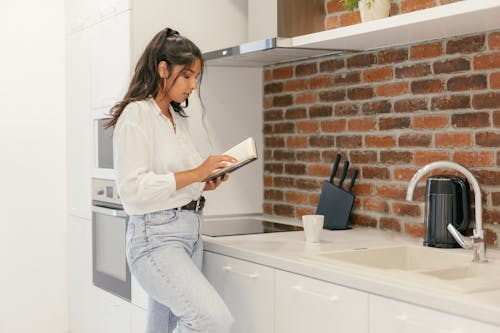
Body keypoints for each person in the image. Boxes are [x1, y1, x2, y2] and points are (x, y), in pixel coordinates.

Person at [106, 27, 236, 333]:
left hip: (189, 232)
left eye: (196, 78)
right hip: (156, 238)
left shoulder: (175, 118)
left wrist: (204, 182)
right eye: (187, 76)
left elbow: (174, 179)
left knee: (164, 326)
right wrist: (196, 173)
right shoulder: (137, 114)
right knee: (212, 320)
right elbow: (132, 190)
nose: (193, 85)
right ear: (163, 69)